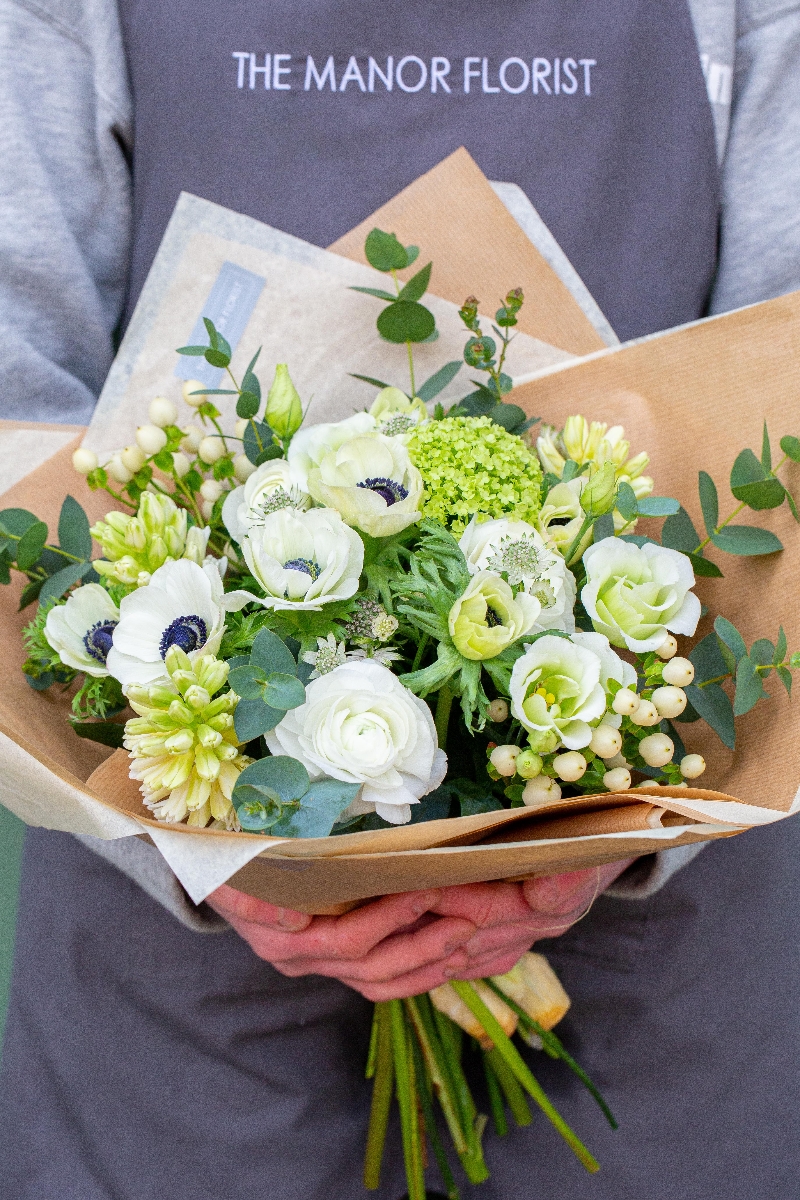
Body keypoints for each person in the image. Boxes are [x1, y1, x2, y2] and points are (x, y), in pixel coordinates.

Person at [1, 2, 799, 1197]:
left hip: (656, 958)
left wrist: (594, 834)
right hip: (182, 987)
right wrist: (201, 854)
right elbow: (15, 382)